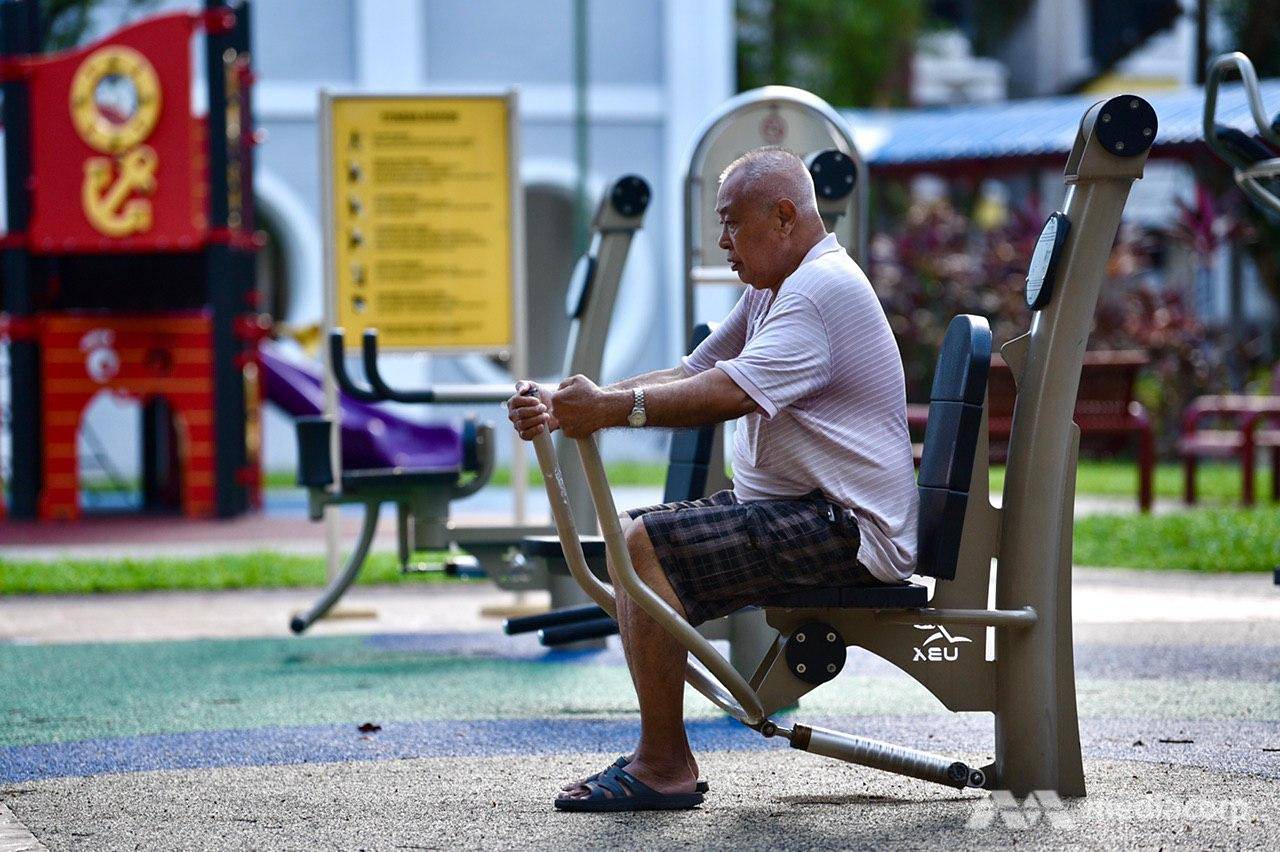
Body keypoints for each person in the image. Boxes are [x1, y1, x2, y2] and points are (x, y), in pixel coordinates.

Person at [506, 147, 918, 812]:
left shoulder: (818, 292)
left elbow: (727, 394)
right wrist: (569, 404)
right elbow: (690, 372)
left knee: (645, 546)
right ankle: (659, 756)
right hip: (812, 511)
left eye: (730, 224)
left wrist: (610, 409)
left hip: (847, 528)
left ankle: (664, 764)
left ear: (783, 217)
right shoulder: (775, 290)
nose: (722, 242)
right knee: (636, 541)